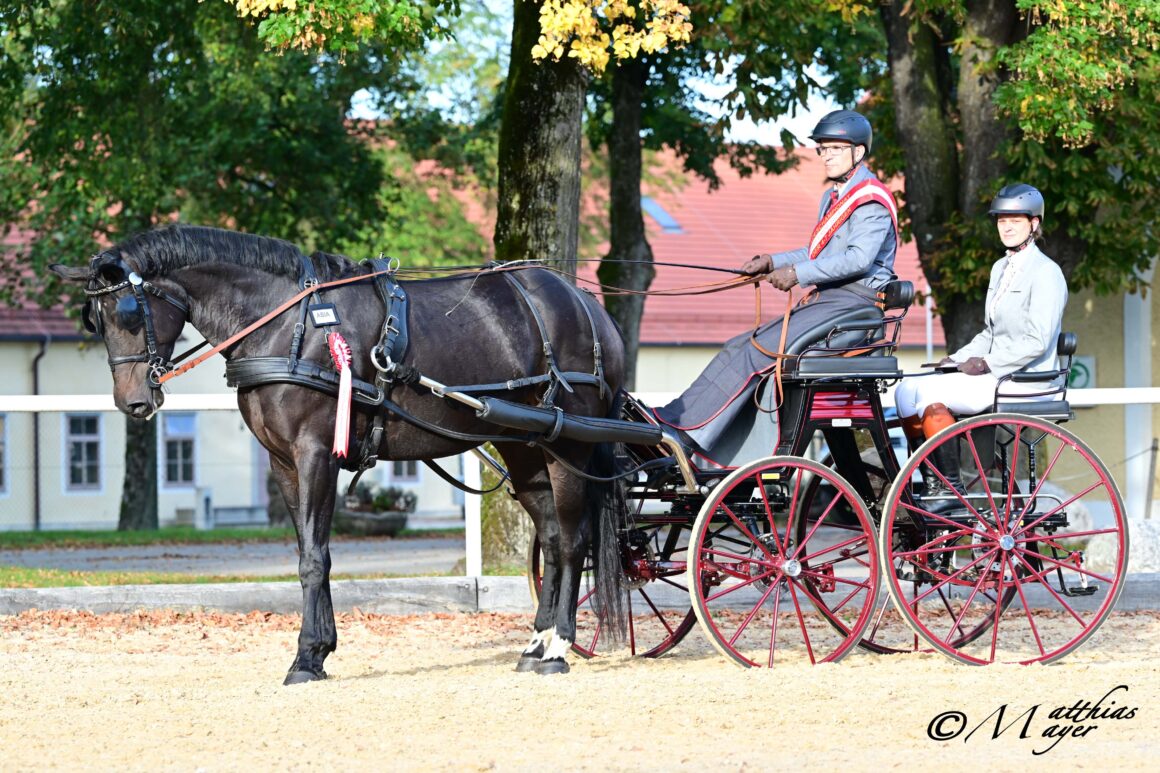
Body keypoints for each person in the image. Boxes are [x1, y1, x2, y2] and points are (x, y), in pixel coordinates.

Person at [654, 109, 899, 463]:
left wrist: (798, 274)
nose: (825, 155)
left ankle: (688, 436)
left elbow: (858, 259)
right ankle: (677, 418)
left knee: (760, 351)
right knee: (739, 343)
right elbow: (817, 252)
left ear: (858, 153)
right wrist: (773, 260)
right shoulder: (835, 197)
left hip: (855, 306)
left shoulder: (871, 200)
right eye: (822, 149)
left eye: (834, 148)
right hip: (830, 302)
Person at [893, 183, 1068, 511]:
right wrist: (956, 359)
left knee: (933, 397)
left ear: (1034, 223)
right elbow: (990, 332)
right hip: (997, 374)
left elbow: (1037, 341)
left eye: (1016, 219)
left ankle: (949, 490)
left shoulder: (1047, 273)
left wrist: (987, 364)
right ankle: (932, 482)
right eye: (1002, 220)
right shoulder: (1000, 269)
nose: (1008, 226)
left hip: (1026, 380)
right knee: (906, 391)